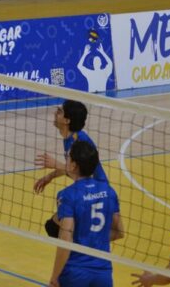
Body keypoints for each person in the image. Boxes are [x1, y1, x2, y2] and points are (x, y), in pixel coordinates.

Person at [49, 140, 124, 287]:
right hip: (103, 272)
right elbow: (119, 232)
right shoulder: (109, 191)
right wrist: (93, 240)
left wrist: (55, 276)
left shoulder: (68, 195)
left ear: (74, 165)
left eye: (68, 158)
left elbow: (65, 239)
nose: (66, 160)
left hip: (75, 272)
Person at [34, 100, 108, 238]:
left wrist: (56, 164)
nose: (56, 112)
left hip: (96, 191)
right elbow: (72, 168)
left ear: (67, 120)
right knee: (53, 227)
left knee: (58, 228)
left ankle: (80, 254)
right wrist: (49, 177)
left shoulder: (79, 141)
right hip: (87, 188)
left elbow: (80, 171)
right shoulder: (70, 138)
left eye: (60, 111)